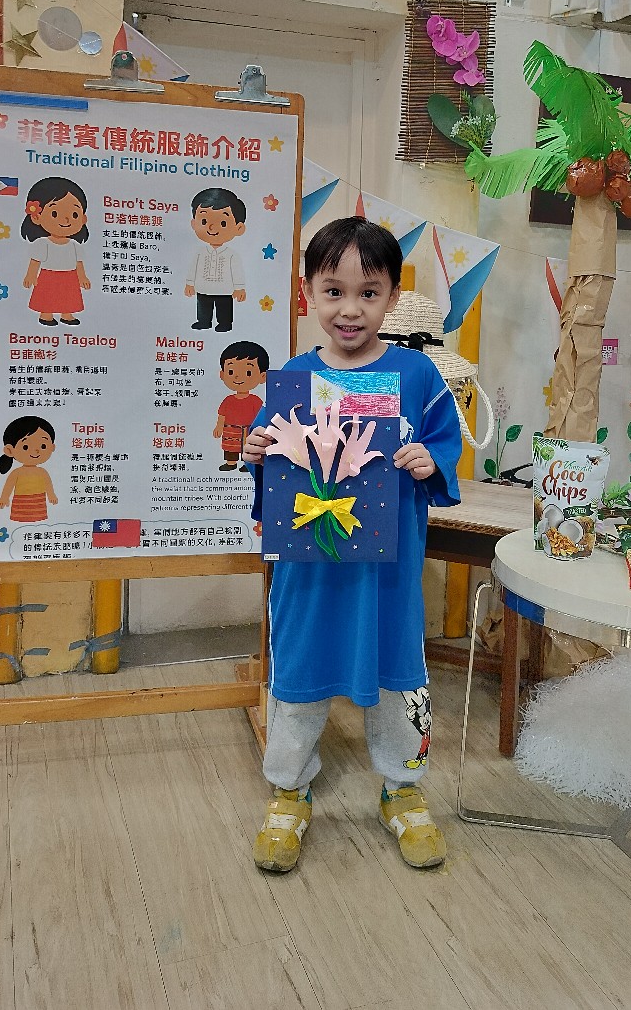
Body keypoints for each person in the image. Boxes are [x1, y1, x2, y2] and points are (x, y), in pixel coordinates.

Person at [244, 216, 462, 873]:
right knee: (298, 672)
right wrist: (256, 452)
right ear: (308, 292)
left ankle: (403, 789)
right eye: (333, 291)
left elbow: (445, 443)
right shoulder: (295, 376)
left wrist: (431, 459)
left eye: (369, 292)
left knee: (398, 672)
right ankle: (289, 790)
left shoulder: (417, 374)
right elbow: (273, 466)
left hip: (388, 574)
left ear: (392, 296)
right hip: (310, 571)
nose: (350, 308)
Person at [21, 177, 90, 326]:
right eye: (54, 213)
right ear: (36, 216)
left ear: (83, 219)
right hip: (48, 275)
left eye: (74, 215)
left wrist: (82, 277)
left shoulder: (74, 245)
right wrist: (31, 275)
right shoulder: (43, 243)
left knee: (68, 297)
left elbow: (79, 263)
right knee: (48, 296)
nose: (66, 220)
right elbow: (35, 261)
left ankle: (67, 314)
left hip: (70, 276)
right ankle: (46, 315)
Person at [185, 188, 246, 331]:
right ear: (194, 224)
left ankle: (225, 324)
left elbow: (237, 272)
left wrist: (239, 288)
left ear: (239, 228)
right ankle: (203, 322)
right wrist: (189, 284)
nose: (212, 227)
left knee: (224, 308)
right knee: (203, 307)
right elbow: (193, 269)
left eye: (223, 223)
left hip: (224, 290)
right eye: (204, 221)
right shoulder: (200, 253)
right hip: (202, 288)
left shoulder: (231, 255)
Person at [213, 340, 269, 472]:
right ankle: (231, 462)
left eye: (248, 372)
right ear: (222, 375)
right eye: (231, 371)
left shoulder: (255, 400)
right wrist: (219, 427)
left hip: (248, 430)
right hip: (230, 430)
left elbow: (261, 416)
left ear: (262, 377)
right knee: (230, 448)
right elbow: (222, 414)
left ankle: (247, 464)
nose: (238, 377)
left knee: (248, 447)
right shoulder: (228, 400)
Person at [0, 415, 58, 523]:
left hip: (39, 503)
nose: (36, 451)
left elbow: (48, 484)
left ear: (52, 447)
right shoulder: (17, 472)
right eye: (25, 447)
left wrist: (51, 495)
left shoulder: (43, 472)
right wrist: (4, 498)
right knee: (19, 521)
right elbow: (9, 486)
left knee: (39, 521)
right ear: (10, 450)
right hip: (21, 503)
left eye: (43, 446)